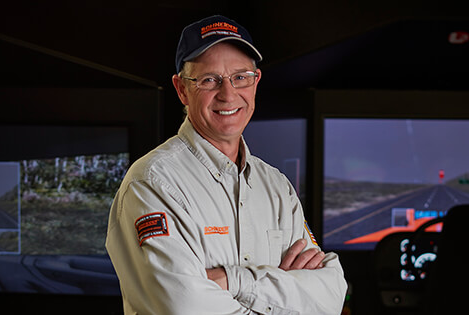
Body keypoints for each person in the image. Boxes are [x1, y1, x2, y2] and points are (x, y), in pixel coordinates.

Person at [106, 15, 348, 314]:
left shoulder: (276, 186)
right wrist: (283, 288)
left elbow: (331, 296)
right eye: (209, 80)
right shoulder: (153, 183)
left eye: (240, 77)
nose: (228, 93)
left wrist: (233, 282)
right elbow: (183, 307)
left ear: (255, 82)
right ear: (182, 89)